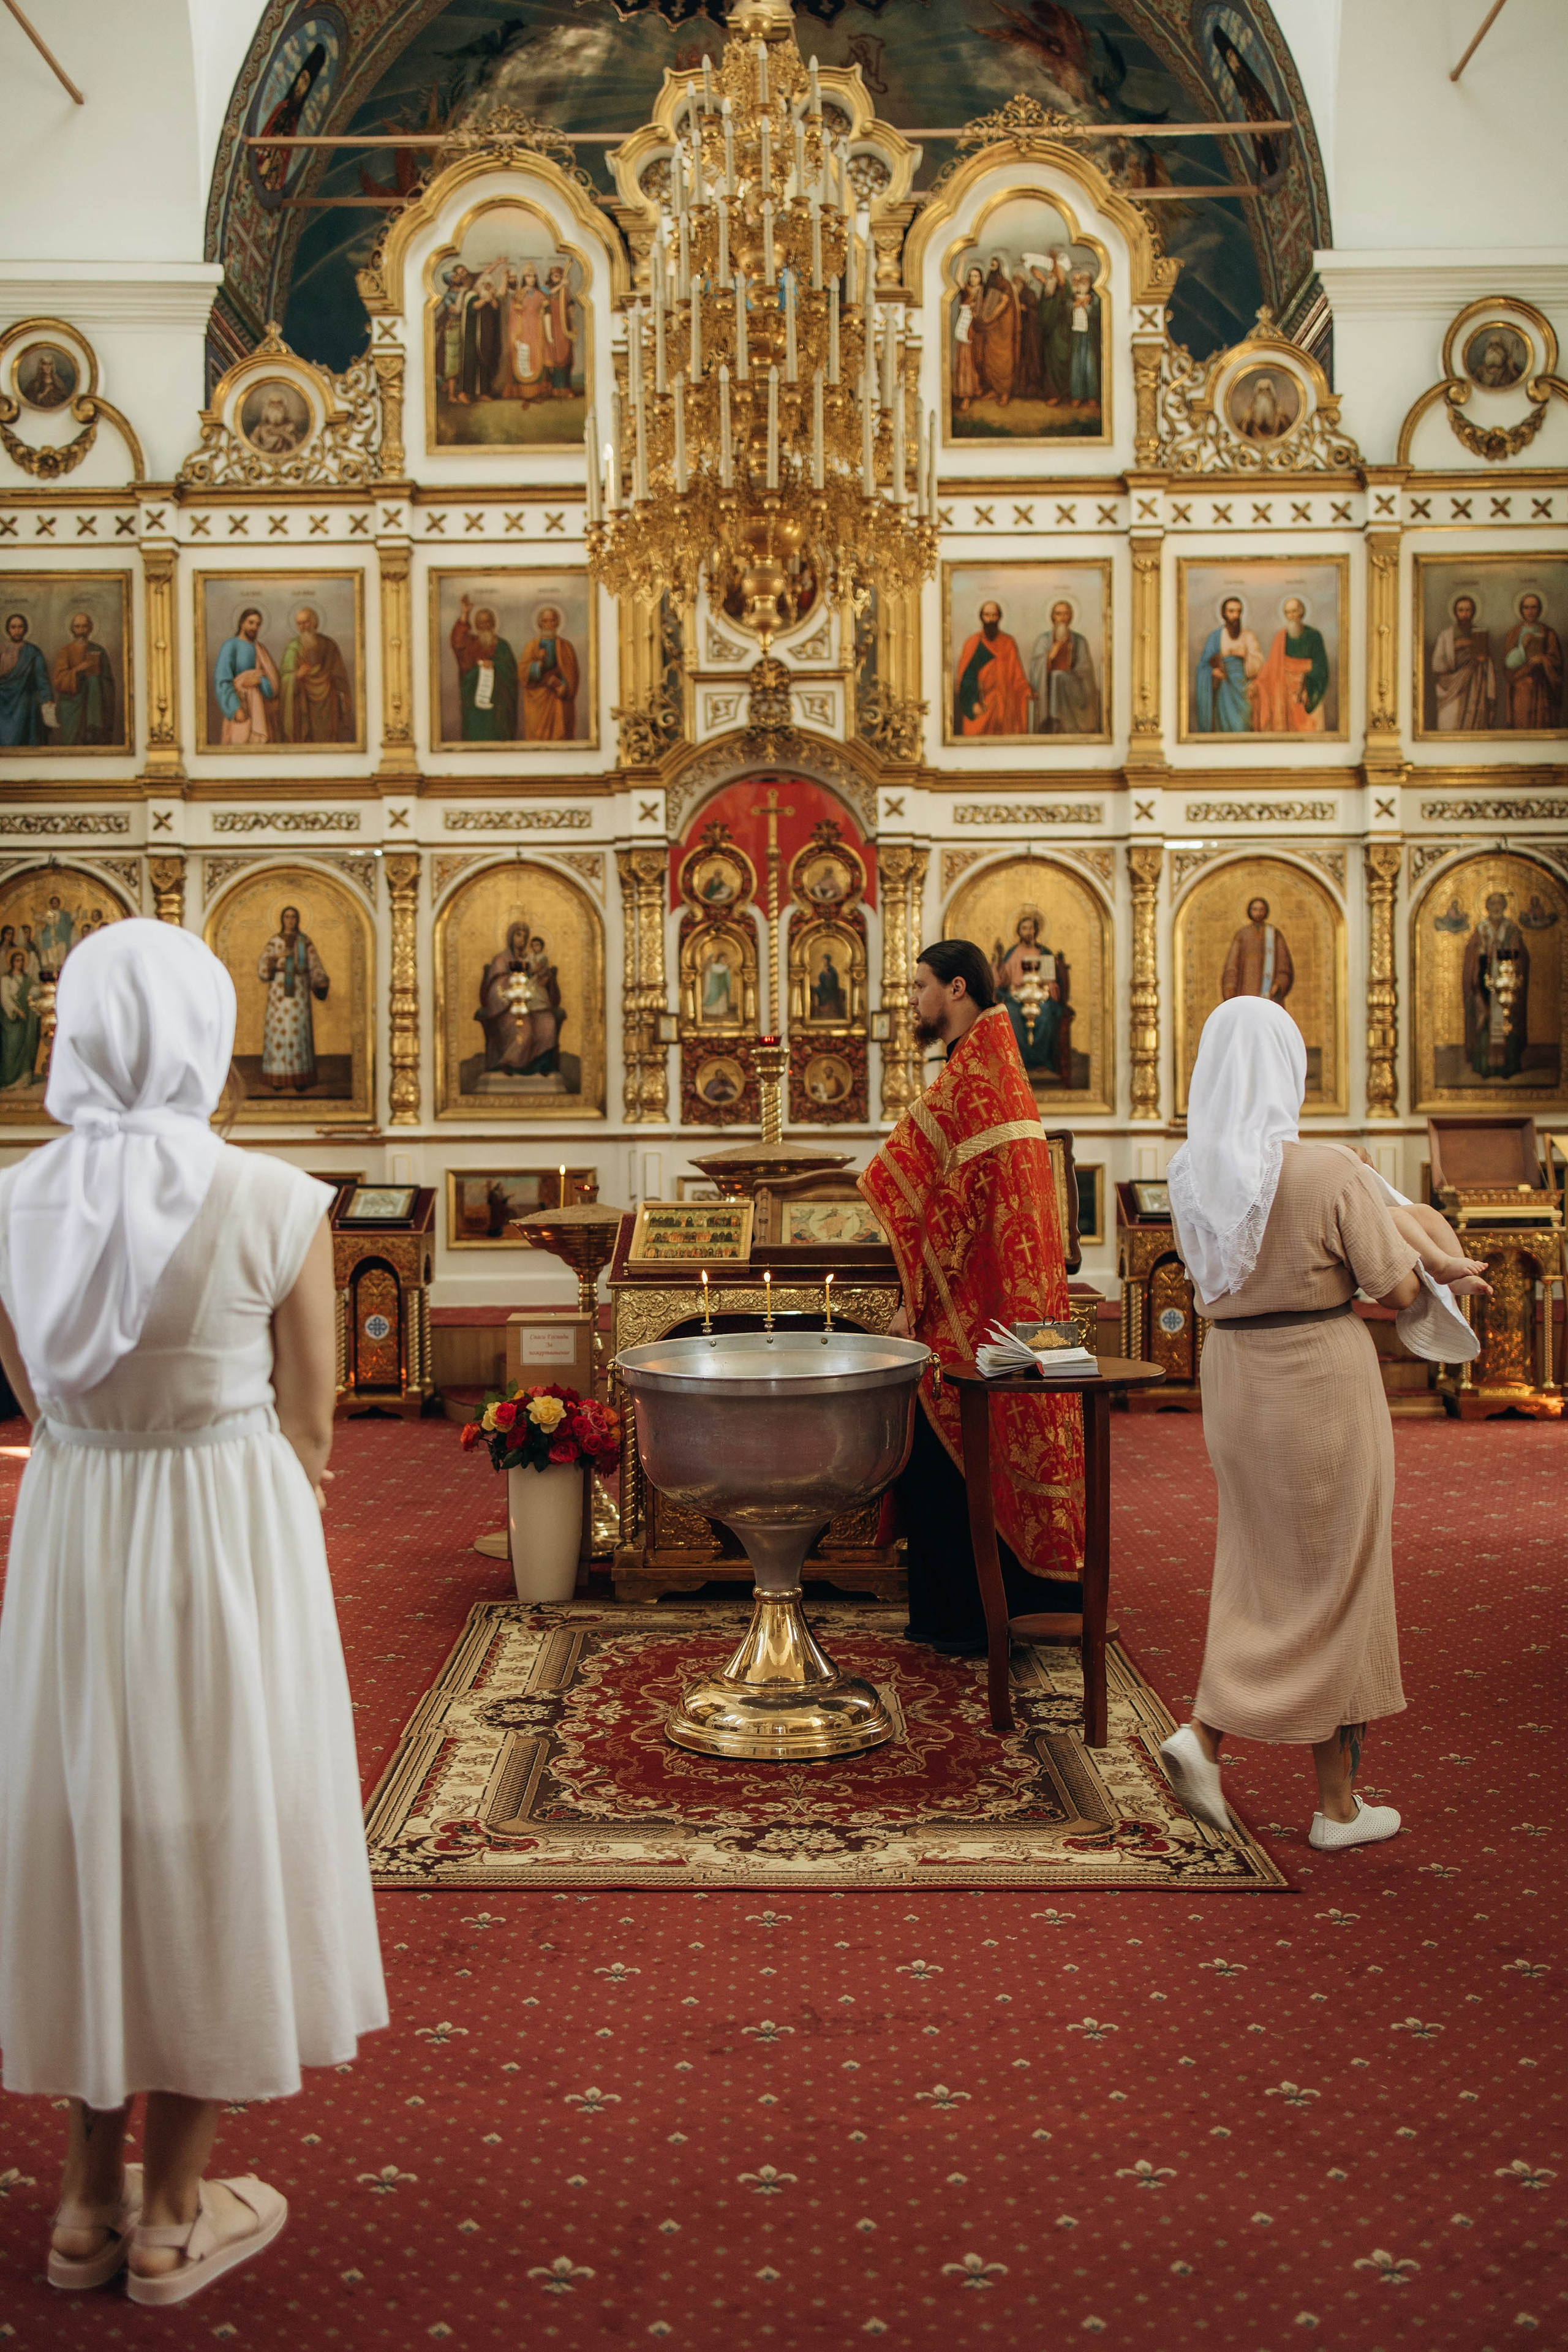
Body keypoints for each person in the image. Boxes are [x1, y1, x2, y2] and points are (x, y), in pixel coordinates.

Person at [0, 920, 385, 2306]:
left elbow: (37, 1403)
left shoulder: (13, 1199)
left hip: (75, 1532)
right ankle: (173, 2215)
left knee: (86, 1825)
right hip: (227, 1533)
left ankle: (81, 2207)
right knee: (220, 1830)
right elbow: (314, 1417)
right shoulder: (275, 1198)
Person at [1158, 998, 1489, 1850]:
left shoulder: (1189, 1169)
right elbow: (1398, 1292)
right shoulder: (1329, 1172)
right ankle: (1336, 1808)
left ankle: (1205, 1738)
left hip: (1232, 1379)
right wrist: (1439, 1265)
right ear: (1285, 1069)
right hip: (1317, 1381)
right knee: (1342, 1579)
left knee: (1256, 1566)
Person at [861, 941, 1084, 1654]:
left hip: (978, 1317)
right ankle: (1021, 1603)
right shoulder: (995, 1066)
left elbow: (916, 1187)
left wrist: (917, 1296)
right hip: (1023, 1310)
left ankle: (961, 1619)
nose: (914, 999)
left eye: (921, 985)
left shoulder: (971, 1080)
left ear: (956, 988)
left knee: (938, 1440)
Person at [992, 909, 1071, 1082]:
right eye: (1024, 928)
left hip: (1039, 995)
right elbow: (1002, 980)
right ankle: (1022, 1063)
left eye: (1031, 928)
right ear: (1019, 932)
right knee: (1011, 1015)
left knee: (1046, 1016)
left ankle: (1041, 1062)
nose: (1028, 932)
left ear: (1036, 930)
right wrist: (998, 958)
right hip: (1016, 997)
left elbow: (1050, 980)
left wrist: (1045, 987)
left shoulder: (1043, 952)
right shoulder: (1013, 952)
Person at [257, 905, 329, 1091]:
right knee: (279, 1030)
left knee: (298, 1030)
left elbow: (315, 965)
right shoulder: (274, 942)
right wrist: (276, 958)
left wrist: (320, 981)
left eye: (294, 917)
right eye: (287, 917)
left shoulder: (304, 942)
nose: (290, 920)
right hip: (278, 993)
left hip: (299, 991)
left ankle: (300, 1078)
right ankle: (278, 1078)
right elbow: (263, 966)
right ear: (282, 919)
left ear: (298, 920)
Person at [1463, 889, 1529, 1078]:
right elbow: (1472, 956)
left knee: (1507, 1019)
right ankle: (1485, 1066)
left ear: (1505, 907)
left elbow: (1520, 955)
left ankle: (1508, 1066)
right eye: (1492, 904)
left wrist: (1506, 950)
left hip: (1507, 981)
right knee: (1485, 1019)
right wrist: (1482, 950)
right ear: (1486, 907)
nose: (1496, 908)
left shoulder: (1511, 929)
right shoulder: (1481, 929)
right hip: (1485, 982)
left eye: (1500, 903)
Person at [1251, 595, 1330, 733]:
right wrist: (1257, 684)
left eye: (1295, 611)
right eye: (1288, 612)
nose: (1292, 616)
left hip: (1308, 691)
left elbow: (1321, 666)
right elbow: (1270, 667)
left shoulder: (1314, 635)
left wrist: (1307, 685)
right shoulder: (1280, 637)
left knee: (1310, 730)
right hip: (1285, 691)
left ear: (1302, 612)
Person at [954, 601, 1031, 736]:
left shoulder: (1008, 643)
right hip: (982, 704)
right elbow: (966, 679)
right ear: (981, 617)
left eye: (994, 615)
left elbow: (1017, 675)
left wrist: (1026, 690)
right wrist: (973, 704)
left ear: (999, 617)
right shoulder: (973, 643)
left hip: (1005, 704)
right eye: (987, 615)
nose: (990, 619)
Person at [279, 605, 353, 744]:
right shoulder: (293, 647)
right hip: (303, 702)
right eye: (299, 624)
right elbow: (284, 677)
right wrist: (296, 676)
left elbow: (340, 676)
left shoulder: (329, 645)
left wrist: (345, 699)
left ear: (315, 622)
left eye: (306, 622)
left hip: (328, 704)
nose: (303, 627)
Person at [450, 596, 520, 741]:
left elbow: (512, 673)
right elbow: (458, 643)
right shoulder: (471, 644)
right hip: (475, 707)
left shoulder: (503, 646)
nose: (484, 625)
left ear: (493, 623)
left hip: (498, 706)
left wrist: (494, 665)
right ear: (476, 625)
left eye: (487, 622)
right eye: (480, 623)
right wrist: (465, 614)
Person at [1028, 598, 1099, 733]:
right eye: (1058, 614)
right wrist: (1050, 656)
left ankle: (1061, 722)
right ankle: (1053, 721)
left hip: (1074, 688)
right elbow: (1035, 670)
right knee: (1056, 677)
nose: (1062, 618)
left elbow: (1085, 671)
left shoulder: (1080, 641)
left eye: (1066, 614)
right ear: (1052, 617)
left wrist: (1068, 675)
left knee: (1058, 676)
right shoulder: (1043, 640)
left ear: (1071, 617)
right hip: (1048, 690)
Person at [1195, 595, 1264, 733]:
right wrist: (1213, 672)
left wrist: (1245, 656)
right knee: (1225, 727)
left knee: (1243, 725)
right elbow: (1203, 666)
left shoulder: (1248, 636)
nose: (1235, 615)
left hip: (1244, 689)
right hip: (1224, 688)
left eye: (1238, 611)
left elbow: (1259, 664)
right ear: (1223, 614)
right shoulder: (1215, 637)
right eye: (1231, 611)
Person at [49, 611, 117, 746]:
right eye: (77, 627)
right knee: (71, 743)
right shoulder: (65, 651)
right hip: (71, 701)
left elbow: (108, 681)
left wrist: (95, 681)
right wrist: (77, 670)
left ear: (90, 628)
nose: (81, 630)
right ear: (72, 629)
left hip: (95, 702)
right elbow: (59, 681)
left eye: (84, 626)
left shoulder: (99, 650)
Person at [213, 608, 279, 745]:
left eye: (258, 624)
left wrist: (259, 681)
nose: (255, 627)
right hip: (240, 705)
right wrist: (235, 709)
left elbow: (272, 685)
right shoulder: (230, 646)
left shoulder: (260, 649)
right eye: (251, 622)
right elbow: (223, 681)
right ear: (242, 623)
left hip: (260, 710)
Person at [1430, 593, 1495, 732]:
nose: (1464, 614)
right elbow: (1437, 665)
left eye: (1468, 610)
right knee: (1451, 720)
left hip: (1476, 686)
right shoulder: (1446, 636)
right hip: (1452, 686)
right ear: (1455, 613)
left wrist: (1483, 659)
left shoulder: (1479, 634)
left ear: (1473, 612)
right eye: (1461, 610)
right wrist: (1455, 647)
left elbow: (1487, 665)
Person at [1502, 592, 1562, 731]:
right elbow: (1508, 663)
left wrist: (1542, 659)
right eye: (1526, 607)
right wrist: (1522, 649)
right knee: (1521, 722)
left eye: (1534, 607)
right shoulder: (1514, 633)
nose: (1530, 611)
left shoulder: (1549, 633)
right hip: (1520, 687)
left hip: (1542, 687)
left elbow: (1557, 661)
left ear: (1539, 609)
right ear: (1521, 610)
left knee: (1542, 723)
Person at [519, 605, 579, 741]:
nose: (549, 625)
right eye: (545, 621)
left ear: (557, 623)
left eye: (552, 621)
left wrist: (563, 686)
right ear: (540, 623)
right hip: (538, 699)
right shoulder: (532, 646)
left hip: (558, 700)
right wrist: (537, 665)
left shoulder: (566, 647)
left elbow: (572, 674)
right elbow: (523, 674)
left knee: (559, 736)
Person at [1221, 895, 1293, 1003]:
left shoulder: (1274, 934)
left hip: (1268, 994)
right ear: (1250, 911)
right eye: (1255, 909)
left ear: (1266, 911)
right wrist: (1230, 986)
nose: (1258, 913)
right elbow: (1232, 966)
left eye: (1261, 909)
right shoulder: (1242, 935)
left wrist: (1279, 984)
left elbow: (1284, 966)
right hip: (1245, 990)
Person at [0, 612, 52, 747]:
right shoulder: (1, 649)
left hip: (24, 699)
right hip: (2, 700)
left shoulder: (33, 652)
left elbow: (42, 679)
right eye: (13, 627)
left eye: (20, 627)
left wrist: (48, 699)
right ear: (8, 629)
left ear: (25, 629)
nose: (17, 631)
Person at [0, 949, 37, 1090]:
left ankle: (23, 1079)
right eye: (17, 960)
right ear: (12, 962)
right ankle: (9, 1080)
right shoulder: (6, 979)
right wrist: (16, 1011)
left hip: (26, 1018)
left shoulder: (27, 979)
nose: (20, 963)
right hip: (11, 1020)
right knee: (11, 1049)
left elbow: (33, 992)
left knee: (26, 1045)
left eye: (22, 961)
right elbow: (5, 997)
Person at [952, 266, 984, 414]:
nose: (973, 279)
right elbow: (958, 280)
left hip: (976, 330)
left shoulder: (983, 292)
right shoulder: (967, 290)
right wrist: (962, 262)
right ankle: (966, 393)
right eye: (971, 276)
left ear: (980, 278)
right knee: (965, 361)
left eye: (976, 276)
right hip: (964, 329)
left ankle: (975, 388)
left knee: (975, 361)